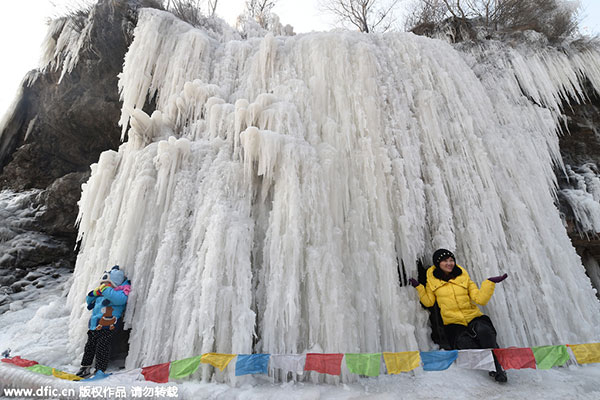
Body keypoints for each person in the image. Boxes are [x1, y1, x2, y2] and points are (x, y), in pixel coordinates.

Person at [409, 249, 508, 382]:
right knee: (464, 343)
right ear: (438, 263)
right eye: (445, 261)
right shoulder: (432, 282)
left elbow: (480, 299)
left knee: (484, 331)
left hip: (472, 316)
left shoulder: (463, 277)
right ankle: (489, 362)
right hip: (453, 322)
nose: (449, 263)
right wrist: (419, 287)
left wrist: (489, 283)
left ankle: (498, 368)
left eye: (451, 260)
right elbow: (428, 301)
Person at [76, 265, 131, 378]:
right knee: (89, 346)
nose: (103, 286)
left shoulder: (118, 292)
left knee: (103, 347)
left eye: (107, 283)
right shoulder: (103, 293)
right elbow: (89, 302)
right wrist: (94, 294)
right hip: (94, 326)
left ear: (115, 283)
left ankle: (100, 369)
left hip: (108, 327)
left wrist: (106, 290)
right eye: (103, 283)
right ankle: (85, 367)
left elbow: (120, 300)